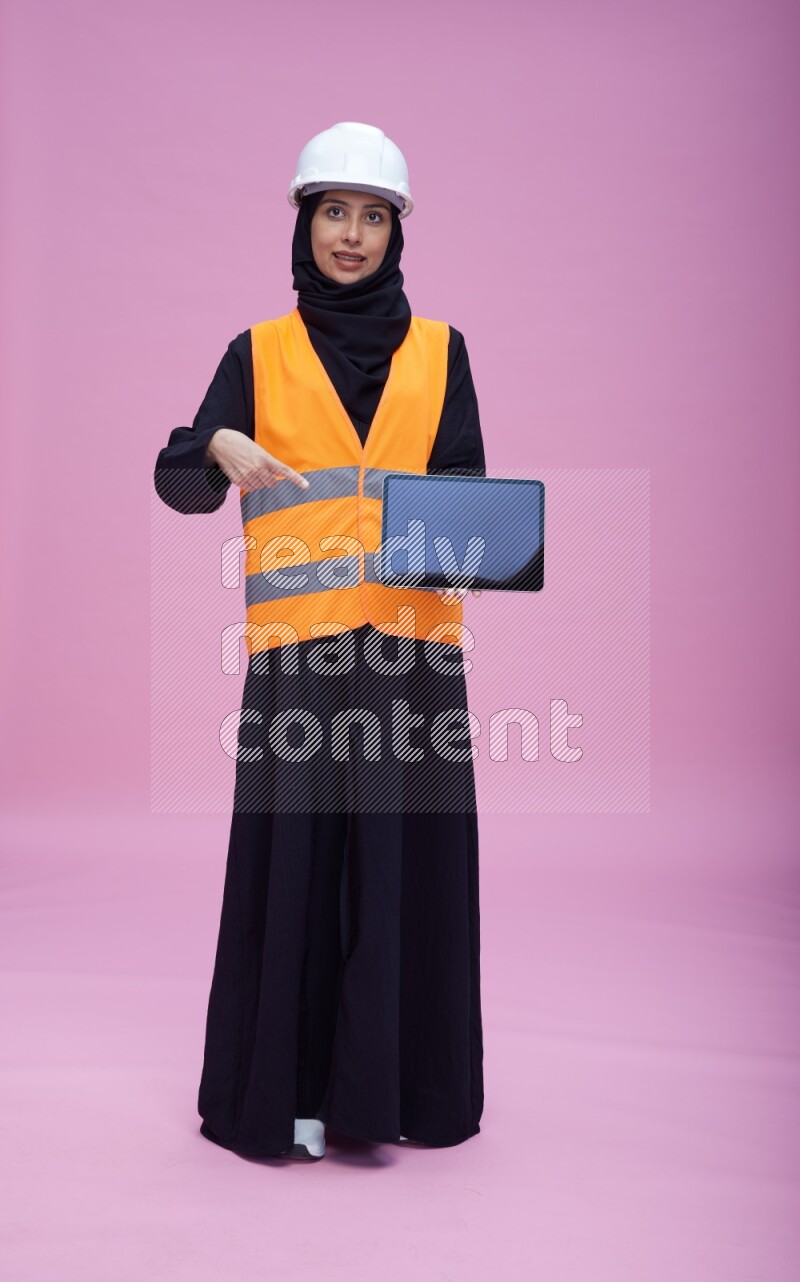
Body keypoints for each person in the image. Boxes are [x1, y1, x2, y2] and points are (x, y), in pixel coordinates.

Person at [153, 122, 486, 1160]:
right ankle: (286, 1093)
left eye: (371, 216)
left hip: (410, 658)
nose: (351, 234)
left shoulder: (442, 352)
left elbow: (468, 497)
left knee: (400, 866)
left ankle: (393, 1095)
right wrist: (214, 442)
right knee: (295, 863)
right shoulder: (255, 354)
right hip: (298, 658)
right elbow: (178, 484)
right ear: (304, 223)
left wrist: (476, 542)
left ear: (396, 232)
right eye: (333, 212)